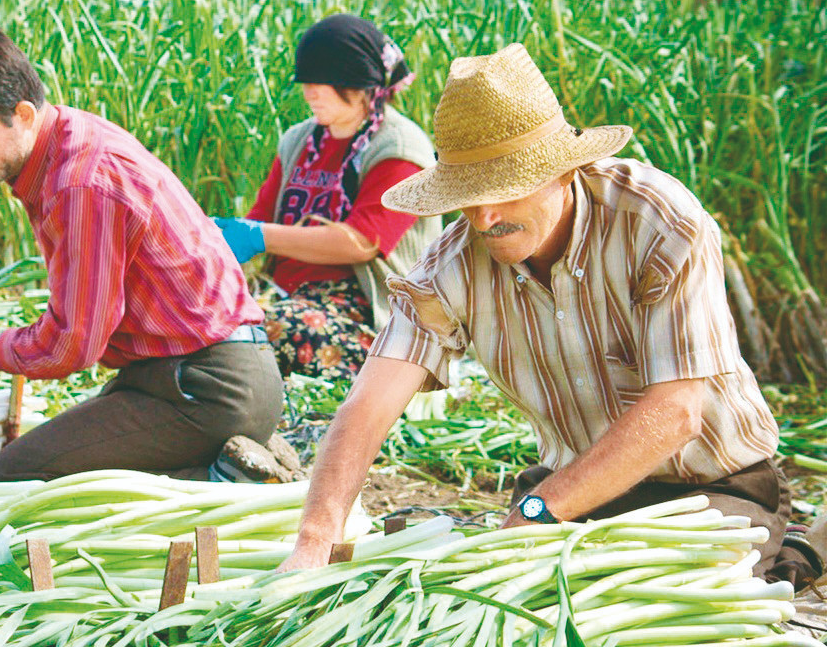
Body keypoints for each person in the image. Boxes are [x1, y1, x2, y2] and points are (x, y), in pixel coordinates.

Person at [279, 42, 825, 588]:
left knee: (657, 595)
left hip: (710, 485)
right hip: (573, 492)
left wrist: (538, 511)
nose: (486, 216)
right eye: (468, 196)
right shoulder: (452, 263)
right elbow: (369, 401)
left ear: (565, 172)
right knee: (518, 596)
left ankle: (798, 550)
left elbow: (677, 412)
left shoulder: (657, 224)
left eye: (505, 191)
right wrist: (315, 538)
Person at [0, 21, 286, 482]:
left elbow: (76, 343)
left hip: (209, 389)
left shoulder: (80, 183)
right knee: (66, 452)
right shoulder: (69, 138)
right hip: (196, 378)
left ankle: (227, 481)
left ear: (24, 114)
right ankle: (227, 463)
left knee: (21, 471)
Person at [213, 14, 441, 383]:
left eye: (326, 83)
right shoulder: (298, 142)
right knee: (215, 323)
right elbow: (260, 215)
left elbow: (362, 242)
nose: (311, 93)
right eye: (307, 83)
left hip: (367, 315)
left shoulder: (399, 148)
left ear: (365, 85)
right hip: (288, 294)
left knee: (267, 334)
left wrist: (258, 236)